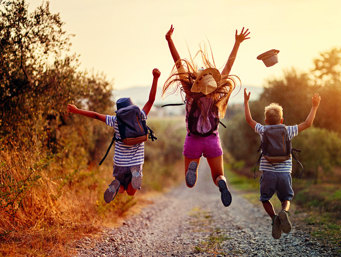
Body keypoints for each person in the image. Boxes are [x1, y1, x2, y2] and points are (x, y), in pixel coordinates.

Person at [163, 25, 250, 207]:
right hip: (212, 141)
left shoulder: (190, 94)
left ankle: (193, 168)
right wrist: (237, 43)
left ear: (195, 81)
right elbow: (228, 65)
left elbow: (178, 63)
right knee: (218, 175)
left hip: (193, 139)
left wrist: (170, 40)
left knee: (189, 182)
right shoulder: (216, 94)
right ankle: (222, 183)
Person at [67, 68, 161, 203]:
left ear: (119, 111)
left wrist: (77, 111)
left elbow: (96, 115)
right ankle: (136, 174)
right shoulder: (141, 116)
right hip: (136, 162)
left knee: (122, 188)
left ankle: (117, 184)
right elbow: (151, 100)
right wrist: (155, 78)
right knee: (131, 192)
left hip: (120, 163)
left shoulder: (115, 120)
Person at [243, 88, 321, 239]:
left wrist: (246, 102)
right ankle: (283, 212)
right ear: (281, 120)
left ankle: (274, 218)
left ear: (266, 120)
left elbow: (249, 120)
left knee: (265, 198)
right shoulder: (288, 130)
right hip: (284, 173)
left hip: (268, 174)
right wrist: (315, 106)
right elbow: (307, 123)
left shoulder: (263, 130)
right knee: (286, 198)